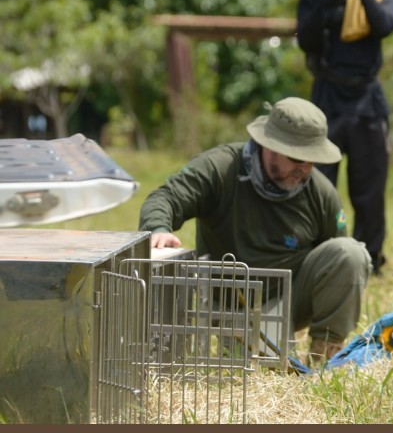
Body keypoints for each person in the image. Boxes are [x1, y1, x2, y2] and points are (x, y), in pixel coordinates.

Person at [138, 97, 372, 363]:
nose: (304, 169)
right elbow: (165, 197)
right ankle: (260, 343)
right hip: (231, 306)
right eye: (297, 158)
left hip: (289, 296)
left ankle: (326, 359)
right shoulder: (221, 168)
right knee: (265, 367)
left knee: (351, 254)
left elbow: (339, 266)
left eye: (312, 160)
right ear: (269, 146)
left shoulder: (321, 192)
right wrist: (158, 228)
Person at [296, 0, 393, 275]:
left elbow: (384, 26)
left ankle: (371, 258)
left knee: (370, 186)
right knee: (319, 183)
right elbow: (306, 40)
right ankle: (321, 252)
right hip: (327, 98)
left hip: (368, 99)